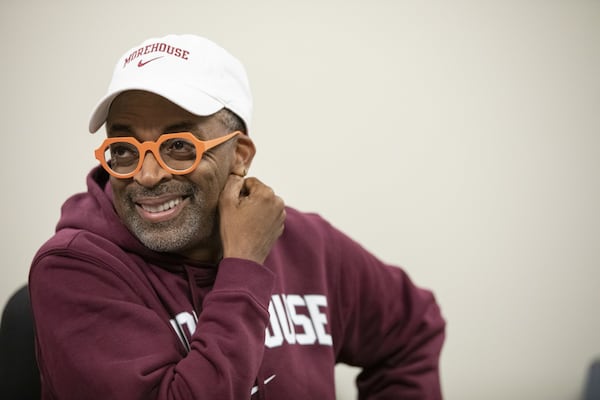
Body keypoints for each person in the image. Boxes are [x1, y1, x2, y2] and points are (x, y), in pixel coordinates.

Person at [29, 34, 445, 399]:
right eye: (123, 150)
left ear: (239, 155)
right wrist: (243, 267)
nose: (148, 174)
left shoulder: (306, 244)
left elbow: (412, 329)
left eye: (178, 146)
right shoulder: (72, 269)